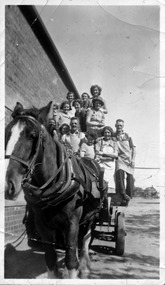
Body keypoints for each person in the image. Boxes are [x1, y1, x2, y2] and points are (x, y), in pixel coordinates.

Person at [113, 119, 136, 201]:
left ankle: (129, 195)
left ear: (123, 126)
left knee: (130, 178)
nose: (119, 127)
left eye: (121, 125)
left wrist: (133, 160)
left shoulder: (128, 135)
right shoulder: (113, 136)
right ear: (115, 126)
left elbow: (133, 148)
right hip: (119, 158)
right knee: (119, 173)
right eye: (118, 125)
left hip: (128, 159)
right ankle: (122, 194)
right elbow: (106, 137)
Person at [95, 126, 118, 191]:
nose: (107, 134)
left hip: (111, 166)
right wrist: (109, 157)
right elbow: (97, 154)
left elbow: (115, 155)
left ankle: (108, 201)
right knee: (102, 184)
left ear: (111, 133)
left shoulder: (114, 143)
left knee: (110, 185)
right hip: (102, 165)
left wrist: (103, 154)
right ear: (103, 133)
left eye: (108, 132)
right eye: (105, 132)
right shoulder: (99, 142)